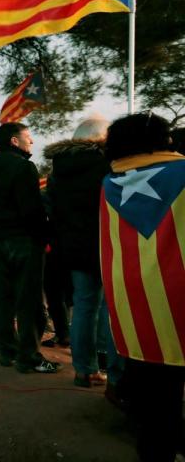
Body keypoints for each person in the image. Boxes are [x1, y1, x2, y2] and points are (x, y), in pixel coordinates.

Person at [101, 111, 185, 461]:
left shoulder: (110, 183)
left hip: (135, 303)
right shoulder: (181, 173)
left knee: (155, 399)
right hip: (179, 297)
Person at [0, 122, 57, 373]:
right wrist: (42, 237)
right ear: (13, 141)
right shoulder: (24, 167)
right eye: (28, 137)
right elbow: (30, 209)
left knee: (5, 297)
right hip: (24, 241)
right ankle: (28, 356)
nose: (31, 142)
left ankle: (7, 351)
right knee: (28, 301)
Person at [44, 117, 111, 388]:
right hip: (105, 245)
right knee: (107, 307)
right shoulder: (107, 166)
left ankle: (84, 369)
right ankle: (108, 365)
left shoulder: (58, 171)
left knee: (83, 306)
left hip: (73, 248)